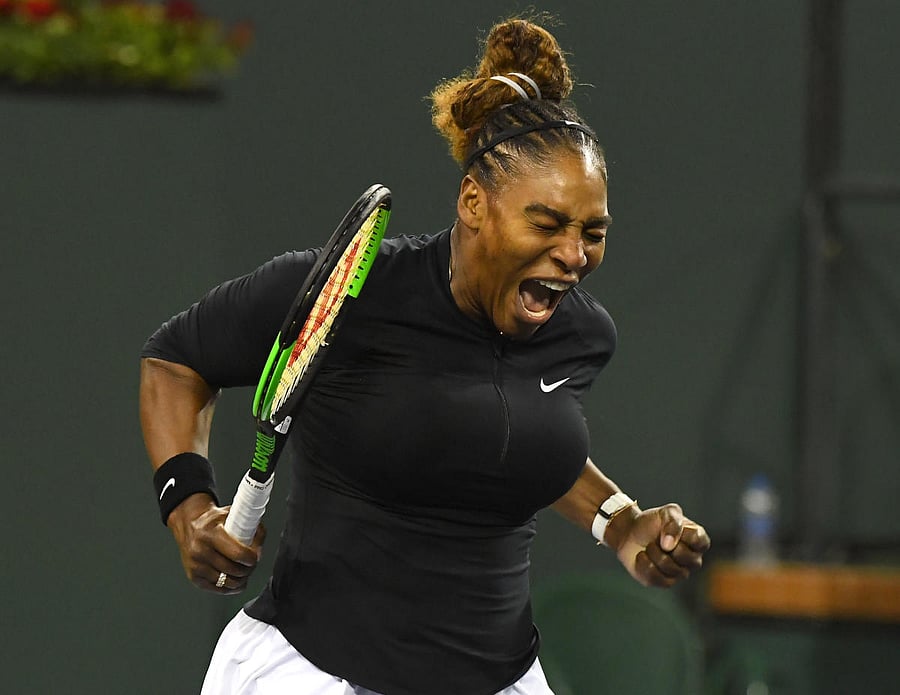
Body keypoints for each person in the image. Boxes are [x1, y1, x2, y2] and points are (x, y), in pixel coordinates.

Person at [139, 17, 710, 695]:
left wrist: (620, 522)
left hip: (498, 676)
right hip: (316, 671)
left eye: (594, 231)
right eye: (548, 223)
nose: (575, 254)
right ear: (475, 202)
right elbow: (174, 361)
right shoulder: (349, 292)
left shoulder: (582, 334)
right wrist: (188, 507)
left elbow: (518, 435)